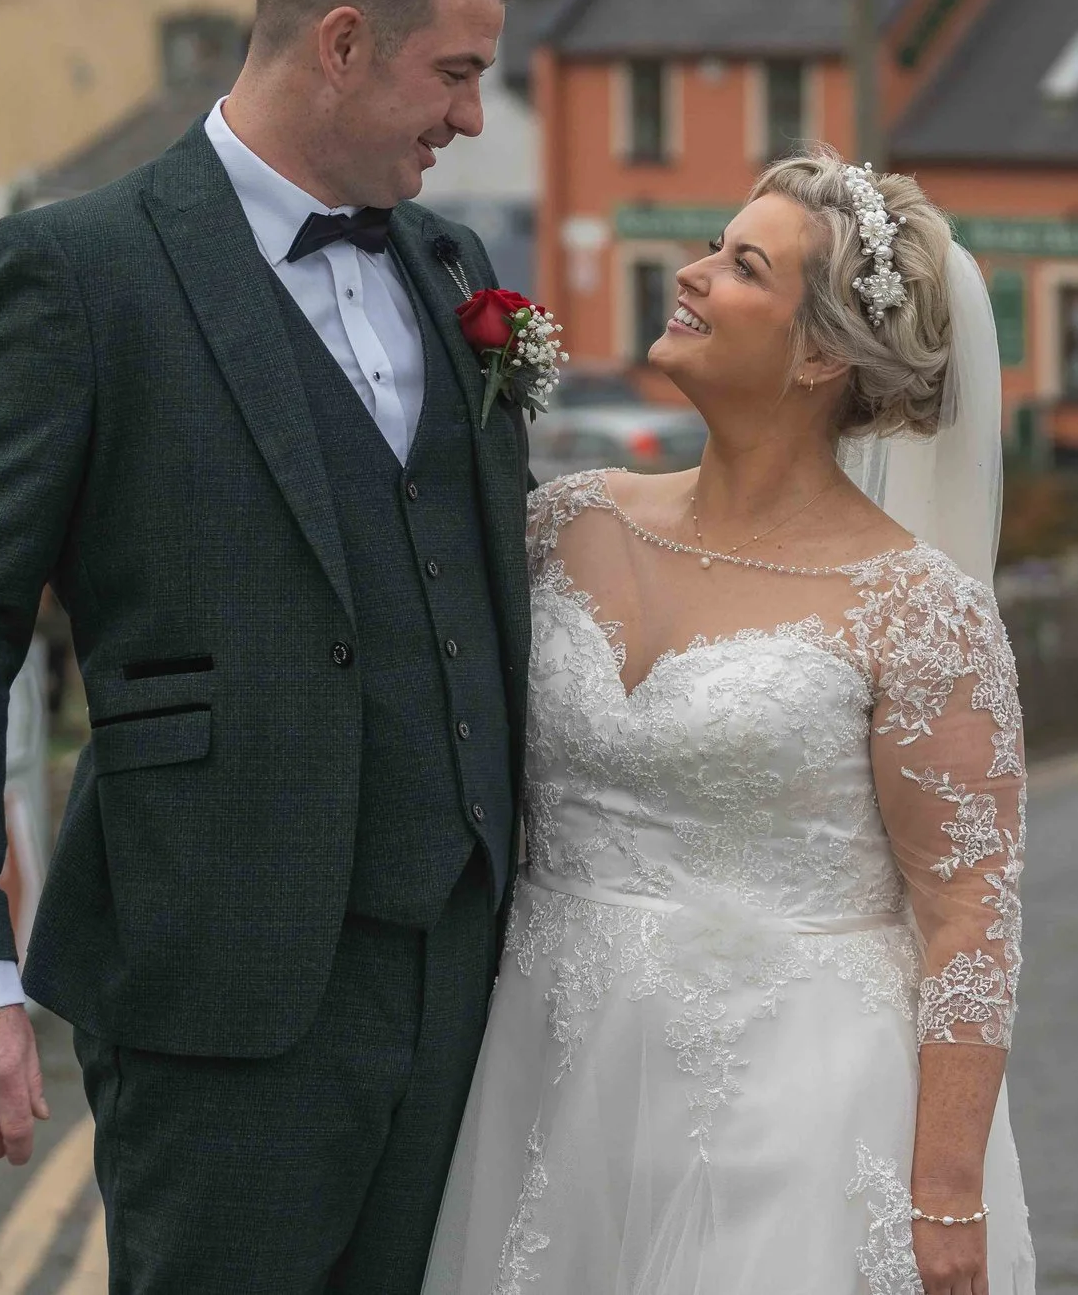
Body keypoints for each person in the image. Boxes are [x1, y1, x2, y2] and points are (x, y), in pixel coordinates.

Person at [0, 0, 530, 1293]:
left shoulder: (452, 260)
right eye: (457, 73)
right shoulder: (80, 269)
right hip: (216, 971)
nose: (472, 118)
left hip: (466, 966)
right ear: (342, 42)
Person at [421, 149, 1034, 1294]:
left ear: (818, 353)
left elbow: (968, 917)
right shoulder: (564, 523)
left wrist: (946, 1190)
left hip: (790, 1114)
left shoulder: (918, 609)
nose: (692, 275)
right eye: (711, 246)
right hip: (544, 1080)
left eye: (741, 265)